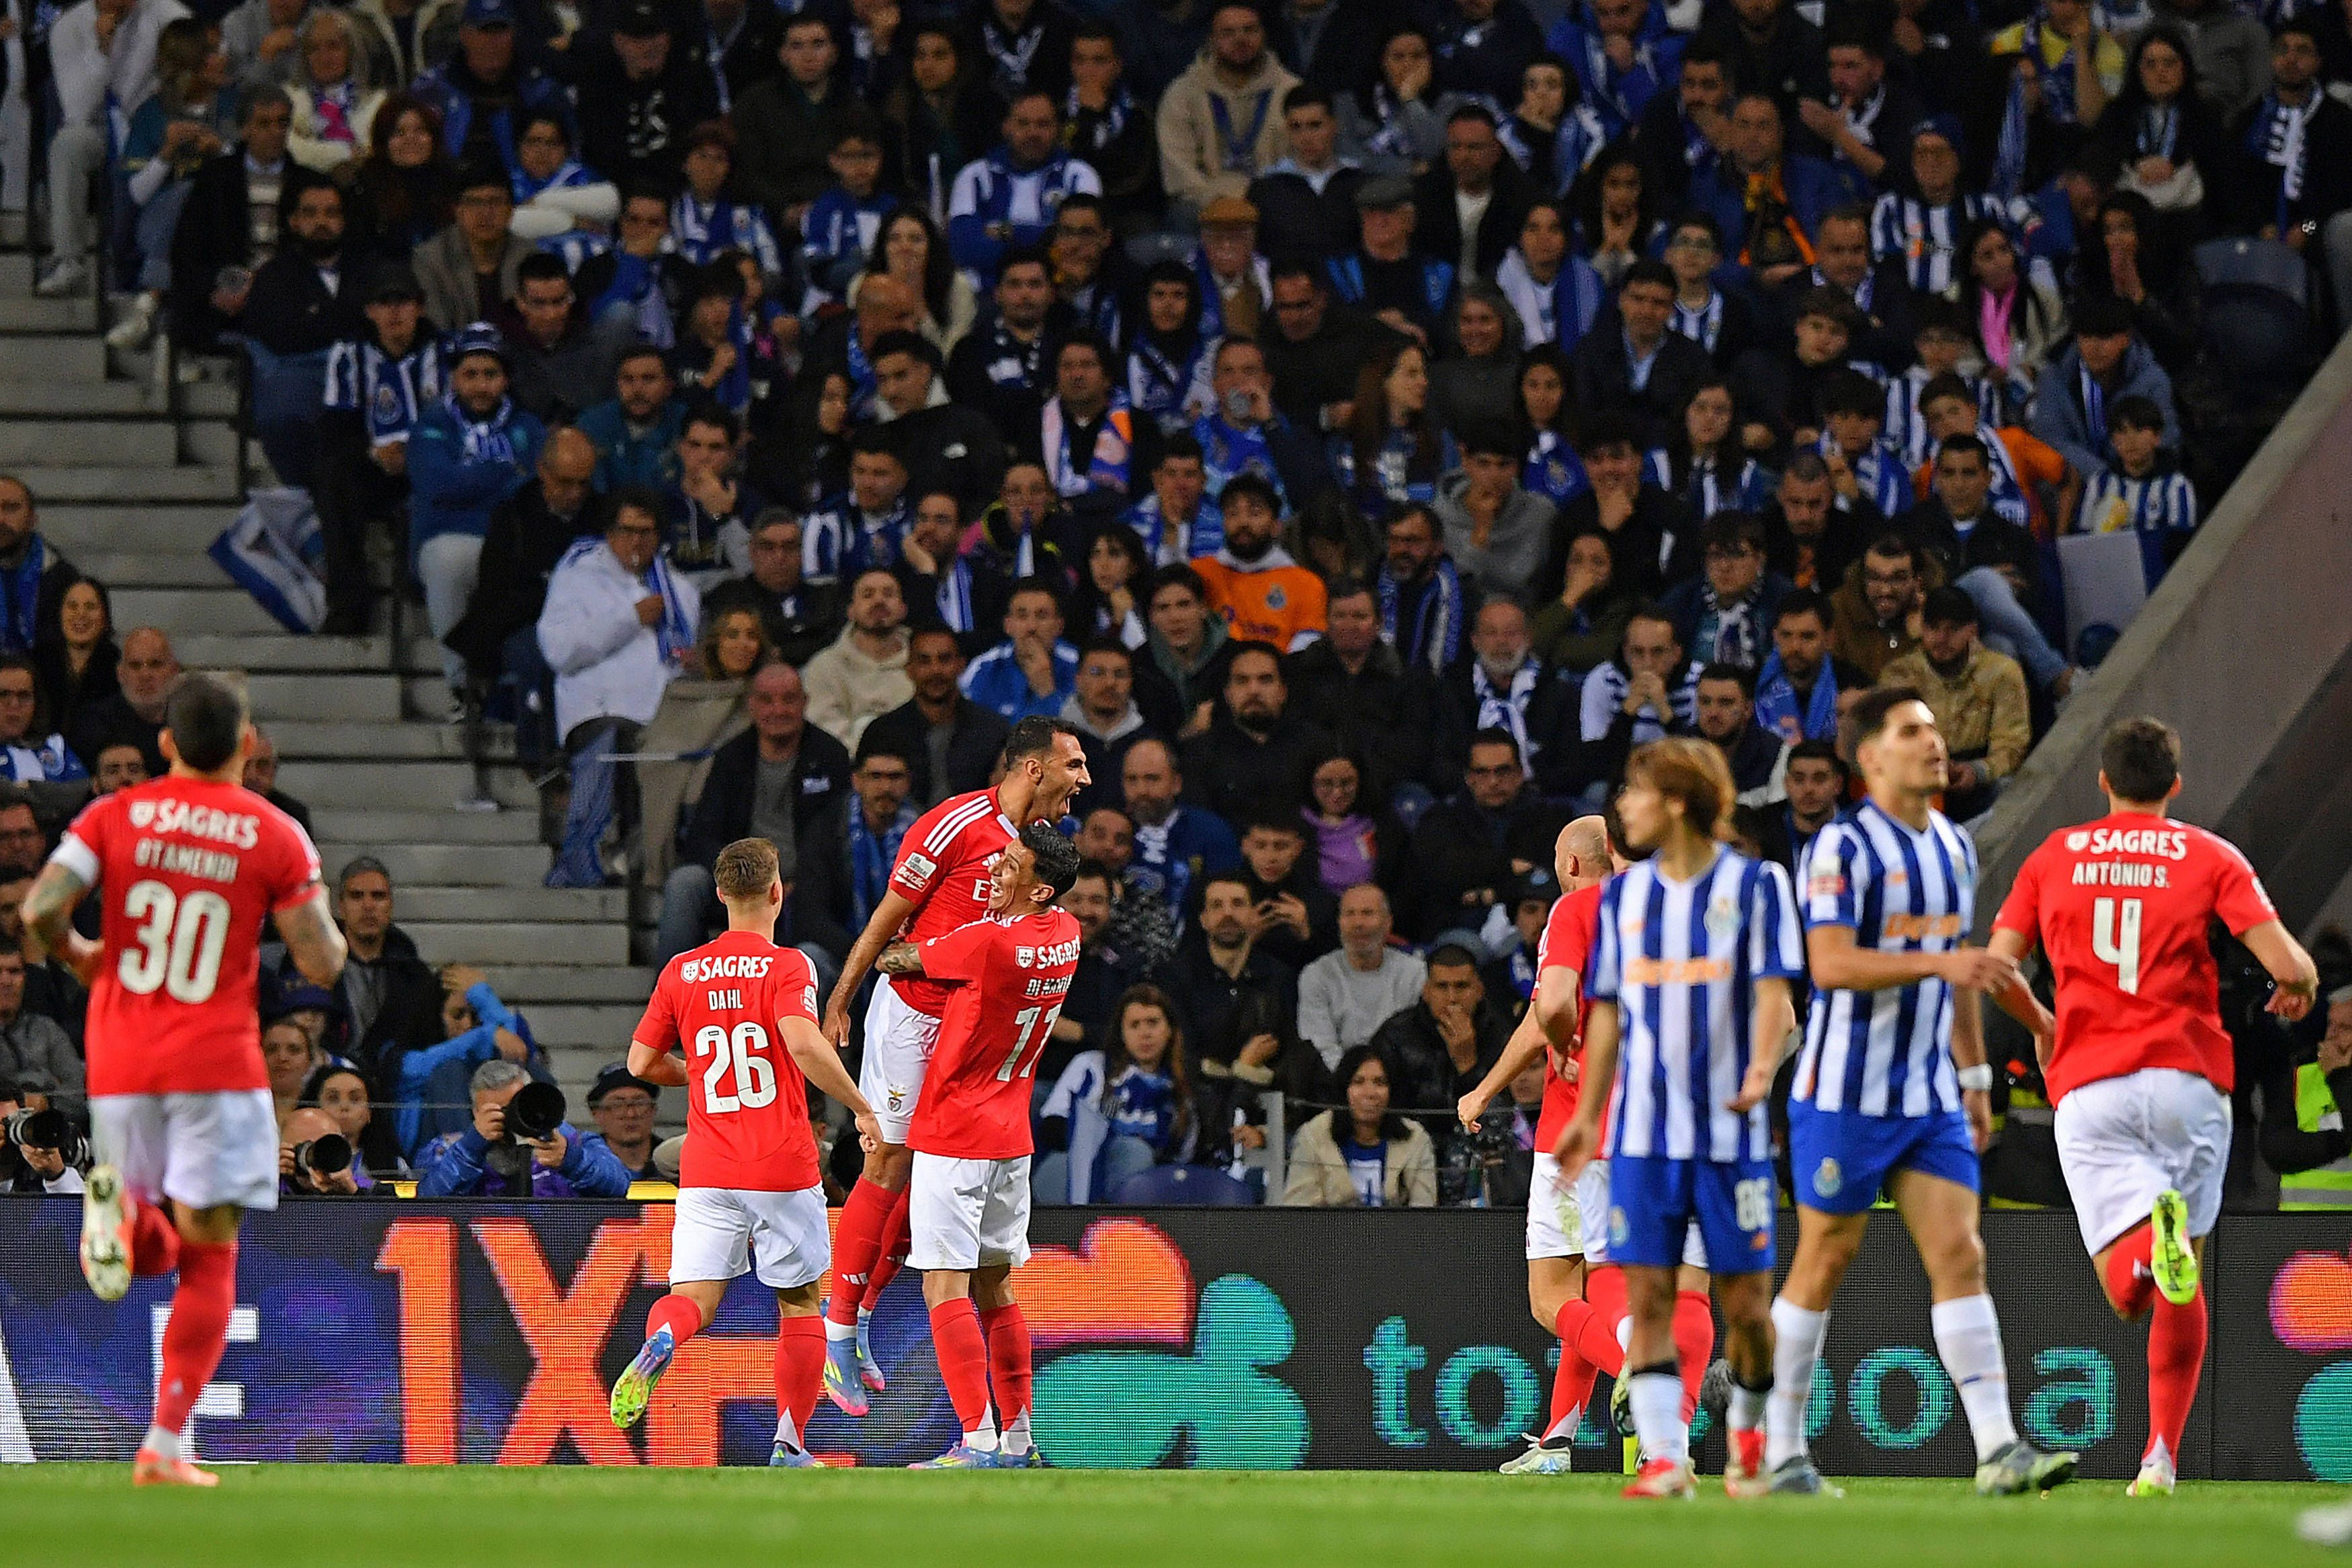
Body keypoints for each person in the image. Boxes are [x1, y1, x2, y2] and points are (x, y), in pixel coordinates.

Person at [32, 674, 346, 1488]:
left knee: (150, 1244)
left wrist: (84, 957)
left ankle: (127, 1219)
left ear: (165, 744)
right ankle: (166, 1445)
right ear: (246, 745)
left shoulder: (114, 813)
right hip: (217, 1065)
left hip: (123, 1063)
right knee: (211, 1260)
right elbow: (319, 960)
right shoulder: (273, 832)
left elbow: (39, 911)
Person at [1988, 717, 2317, 1495]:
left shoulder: (2052, 856)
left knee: (2127, 1291)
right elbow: (2290, 963)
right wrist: (2292, 990)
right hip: (2187, 1084)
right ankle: (2157, 1459)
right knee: (2185, 1279)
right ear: (2173, 785)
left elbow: (1995, 968)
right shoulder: (2209, 857)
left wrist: (2043, 1025)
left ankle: (2146, 1248)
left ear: (2100, 782)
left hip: (2090, 1084)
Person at [1767, 687, 2080, 1497]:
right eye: (1912, 733)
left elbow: (1961, 972)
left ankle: (1998, 1450)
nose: (1932, 744)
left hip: (1928, 1095)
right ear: (1868, 758)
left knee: (1959, 1255)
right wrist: (1943, 965)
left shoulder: (1951, 845)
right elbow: (1829, 965)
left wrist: (1973, 1077)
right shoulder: (1840, 849)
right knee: (1824, 1259)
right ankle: (1777, 1451)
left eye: (1935, 732)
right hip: (1843, 1095)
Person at [817, 719, 1090, 1415]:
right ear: (1034, 769)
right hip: (913, 1017)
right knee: (891, 1162)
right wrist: (839, 1004)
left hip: (973, 1032)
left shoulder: (1039, 853)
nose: (1084, 780)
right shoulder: (952, 827)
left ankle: (865, 1314)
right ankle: (838, 1329)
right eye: (1075, 765)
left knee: (926, 1180)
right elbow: (886, 923)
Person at [1552, 738, 1798, 1499]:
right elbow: (1605, 1019)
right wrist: (1588, 1114)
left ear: (1678, 801)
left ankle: (1752, 1437)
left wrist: (1759, 1069)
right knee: (1648, 1297)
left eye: (1635, 791)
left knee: (1746, 1309)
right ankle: (1665, 1459)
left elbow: (1777, 1005)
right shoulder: (1622, 901)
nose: (1622, 805)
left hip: (1729, 1137)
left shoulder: (1756, 888)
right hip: (1642, 1140)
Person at [607, 836, 882, 1466]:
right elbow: (805, 1045)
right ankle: (789, 1441)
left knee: (694, 1299)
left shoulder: (682, 969)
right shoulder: (788, 966)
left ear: (721, 895)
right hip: (781, 1164)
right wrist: (863, 1108)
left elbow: (640, 1062)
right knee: (800, 1303)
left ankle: (663, 1341)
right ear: (777, 893)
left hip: (706, 1168)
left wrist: (698, 1072)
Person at [866, 821, 1081, 1467]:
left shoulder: (985, 942)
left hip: (956, 1134)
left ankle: (977, 1439)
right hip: (1011, 1137)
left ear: (1040, 890)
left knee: (945, 1288)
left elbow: (894, 959)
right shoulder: (1066, 935)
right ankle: (1019, 1440)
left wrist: (909, 934)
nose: (994, 869)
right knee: (997, 1289)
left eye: (1009, 864)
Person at [1455, 816, 1617, 1472]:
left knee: (1550, 1296)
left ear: (1573, 864)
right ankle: (1556, 1442)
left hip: (1574, 1131)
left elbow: (1547, 1010)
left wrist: (1488, 1087)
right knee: (1594, 1278)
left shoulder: (1573, 911)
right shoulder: (1654, 912)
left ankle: (1645, 1380)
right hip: (1641, 1129)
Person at [536, 491, 700, 888]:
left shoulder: (681, 590)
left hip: (665, 720)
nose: (636, 542)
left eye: (646, 532)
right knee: (618, 739)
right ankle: (592, 857)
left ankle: (649, 860)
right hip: (596, 714)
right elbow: (558, 650)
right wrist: (630, 619)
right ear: (610, 534)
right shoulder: (577, 578)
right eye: (627, 531)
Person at [661, 663, 853, 965]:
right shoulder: (730, 758)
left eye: (788, 699)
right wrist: (741, 881)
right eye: (766, 700)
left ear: (805, 702)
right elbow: (703, 836)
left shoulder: (831, 756)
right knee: (685, 883)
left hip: (806, 892)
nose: (778, 710)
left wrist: (799, 883)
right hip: (738, 886)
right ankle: (670, 1000)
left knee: (816, 952)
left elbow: (839, 836)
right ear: (751, 705)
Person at [1034, 983, 1202, 1204]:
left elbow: (1184, 1154)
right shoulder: (1090, 1066)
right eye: (1134, 1025)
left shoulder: (1182, 1085)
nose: (1145, 1034)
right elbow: (1052, 1127)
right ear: (1121, 1034)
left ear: (1170, 1030)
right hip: (1074, 1170)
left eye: (1153, 1023)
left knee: (1137, 1153)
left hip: (1151, 1188)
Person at [1878, 589, 2029, 821]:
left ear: (1972, 631)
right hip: (1920, 782)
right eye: (1933, 628)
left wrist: (1977, 772)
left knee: (2011, 791)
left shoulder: (2001, 673)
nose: (1941, 639)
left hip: (1981, 780)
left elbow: (2012, 745)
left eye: (1952, 630)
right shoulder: (1900, 675)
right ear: (1922, 628)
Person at [414, 1056, 634, 1197]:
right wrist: (472, 1148)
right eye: (497, 1110)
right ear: (475, 1112)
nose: (510, 1117)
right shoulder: (448, 1149)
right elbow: (425, 1202)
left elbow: (621, 1186)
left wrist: (573, 1160)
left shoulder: (568, 1141)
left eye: (515, 1106)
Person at [860, 628, 1012, 810]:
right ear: (909, 669)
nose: (935, 670)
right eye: (924, 661)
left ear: (961, 665)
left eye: (945, 659)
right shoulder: (882, 732)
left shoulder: (993, 731)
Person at [1280, 1044, 1437, 1207]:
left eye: (1380, 1082)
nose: (1370, 1093)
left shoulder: (1416, 1138)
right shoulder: (1313, 1135)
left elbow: (1425, 1212)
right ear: (1344, 1089)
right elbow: (1298, 1212)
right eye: (1358, 1082)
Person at [802, 569, 913, 752]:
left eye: (888, 594)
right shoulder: (824, 667)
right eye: (868, 595)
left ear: (903, 609)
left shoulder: (923, 662)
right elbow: (823, 731)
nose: (879, 601)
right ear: (851, 611)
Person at [71, 627, 177, 780]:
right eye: (135, 666)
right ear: (120, 674)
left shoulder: (193, 724)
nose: (145, 675)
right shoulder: (92, 724)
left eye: (155, 665)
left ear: (174, 671)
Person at [579, 1063, 661, 1182]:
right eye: (617, 1105)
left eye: (639, 1103)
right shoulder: (584, 1165)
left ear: (653, 1110)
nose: (631, 1114)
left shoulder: (674, 1163)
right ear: (596, 1113)